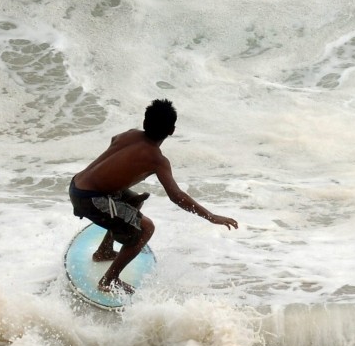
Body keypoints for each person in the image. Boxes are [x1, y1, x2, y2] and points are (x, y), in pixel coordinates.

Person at [69, 99, 239, 294]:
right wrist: (211, 217)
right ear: (172, 131)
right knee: (146, 228)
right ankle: (109, 280)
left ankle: (104, 251)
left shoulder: (129, 135)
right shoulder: (157, 160)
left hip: (77, 185)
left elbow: (114, 141)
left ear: (144, 122)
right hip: (90, 199)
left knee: (134, 201)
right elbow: (177, 196)